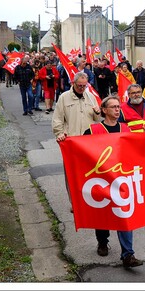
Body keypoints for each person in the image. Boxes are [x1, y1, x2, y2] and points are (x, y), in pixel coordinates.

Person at [82, 95, 143, 267]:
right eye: (113, 107)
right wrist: (64, 140)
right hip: (101, 180)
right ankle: (102, 241)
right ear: (104, 110)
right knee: (103, 214)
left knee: (123, 214)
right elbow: (79, 149)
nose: (117, 109)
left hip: (121, 180)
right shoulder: (93, 131)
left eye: (118, 107)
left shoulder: (126, 128)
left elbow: (137, 149)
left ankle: (128, 254)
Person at [52, 72, 102, 211]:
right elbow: (57, 119)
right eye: (79, 85)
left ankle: (88, 199)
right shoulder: (64, 98)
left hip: (89, 142)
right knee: (72, 173)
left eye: (84, 86)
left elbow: (97, 121)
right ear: (73, 83)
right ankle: (74, 202)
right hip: (72, 141)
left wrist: (98, 113)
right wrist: (60, 134)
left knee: (89, 172)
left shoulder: (91, 97)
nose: (81, 88)